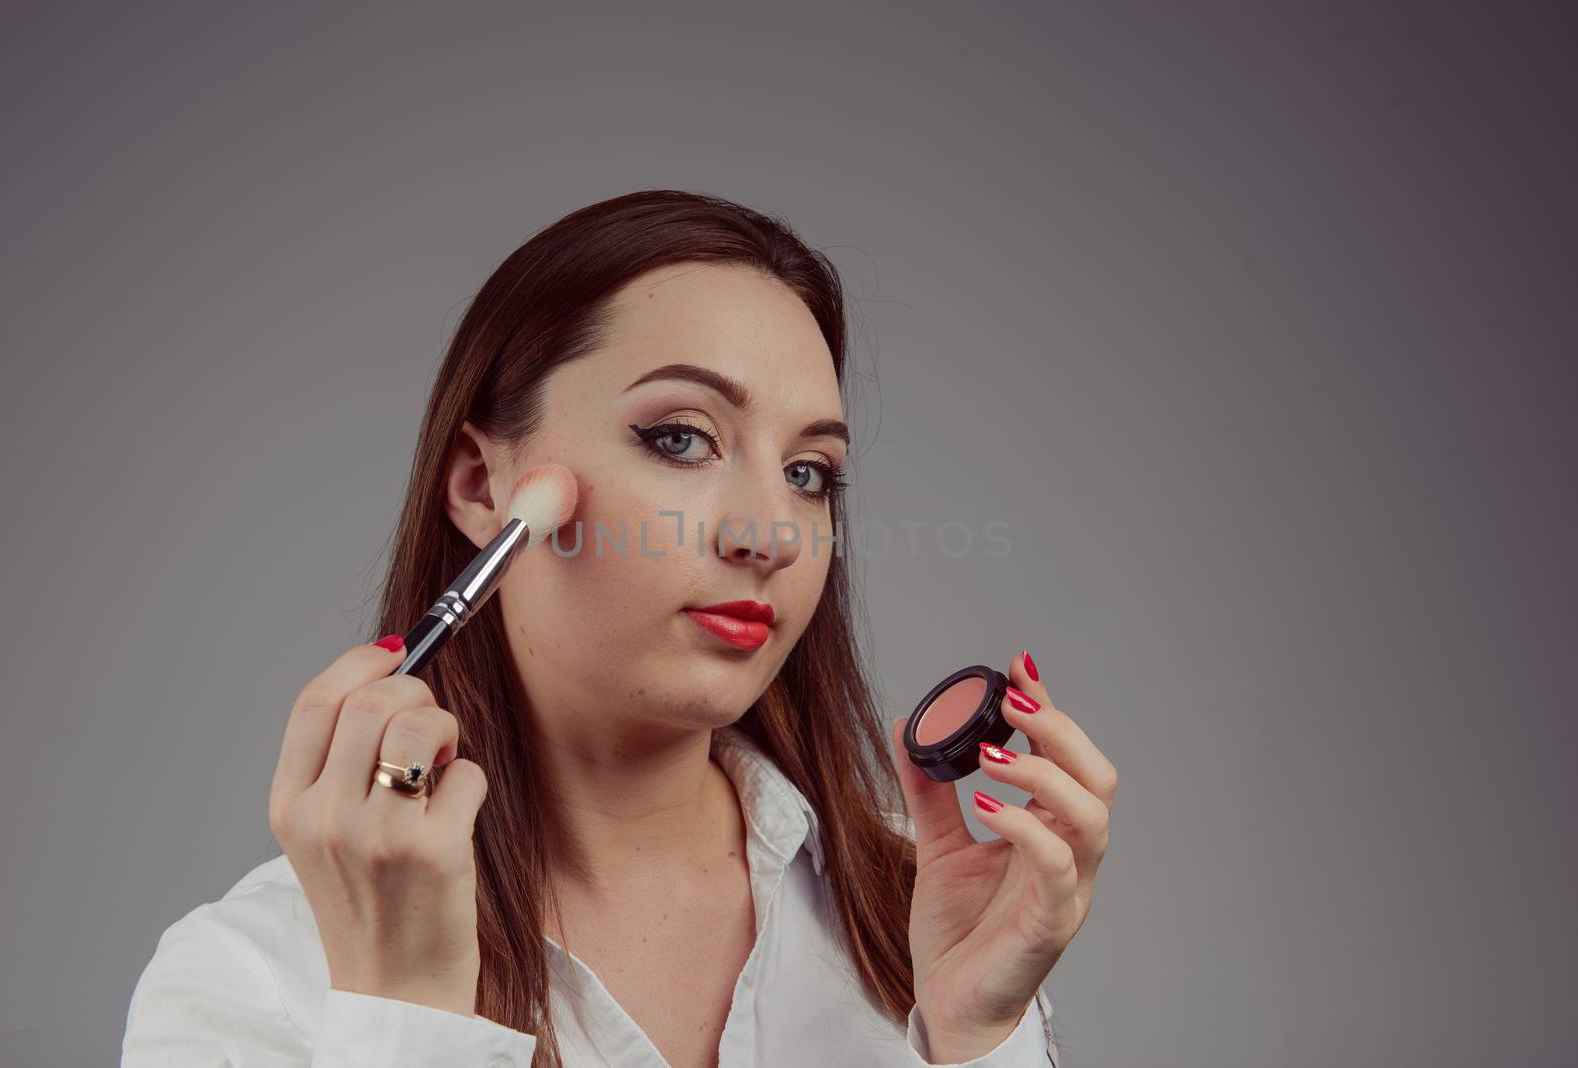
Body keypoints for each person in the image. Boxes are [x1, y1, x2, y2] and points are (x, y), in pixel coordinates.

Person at [121, 189, 1116, 1067]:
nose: (771, 532)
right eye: (678, 438)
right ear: (481, 483)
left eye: (808, 472)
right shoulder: (250, 979)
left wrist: (977, 1044)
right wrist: (404, 1020)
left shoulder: (917, 911)